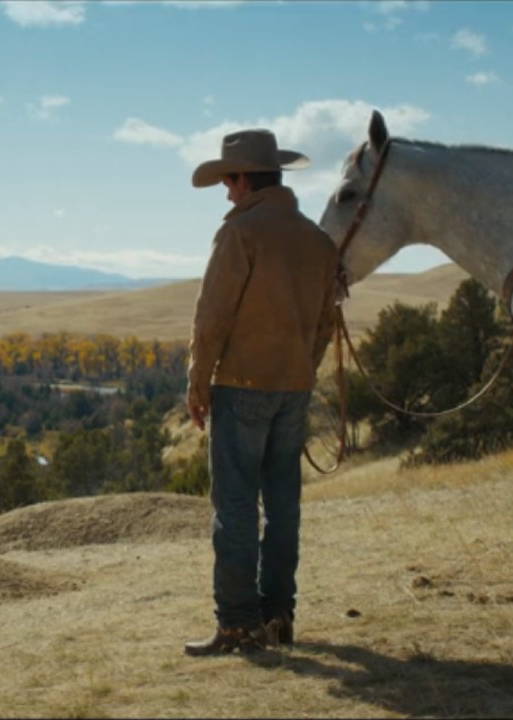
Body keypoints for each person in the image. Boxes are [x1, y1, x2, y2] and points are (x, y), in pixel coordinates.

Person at [183, 129, 338, 656]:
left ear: (246, 178)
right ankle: (279, 615)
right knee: (284, 505)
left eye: (229, 180)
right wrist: (300, 368)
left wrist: (198, 380)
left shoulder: (240, 233)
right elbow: (324, 324)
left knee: (235, 505)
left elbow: (212, 317)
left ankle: (238, 625)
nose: (227, 192)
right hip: (292, 389)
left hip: (241, 385)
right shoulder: (317, 240)